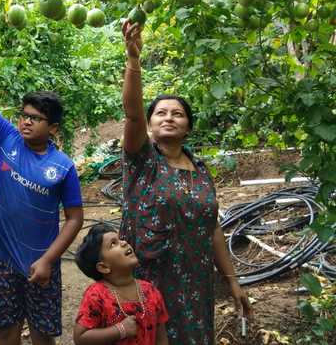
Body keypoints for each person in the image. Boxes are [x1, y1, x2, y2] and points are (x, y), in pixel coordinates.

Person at [0, 30, 84, 345]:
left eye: (36, 118)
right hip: (5, 256)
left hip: (42, 259)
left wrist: (50, 259)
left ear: (53, 128)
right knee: (6, 332)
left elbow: (75, 218)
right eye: (24, 115)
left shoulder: (63, 166)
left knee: (42, 335)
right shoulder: (7, 138)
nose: (26, 122)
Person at [119, 21, 253, 344]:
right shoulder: (142, 161)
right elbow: (133, 114)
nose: (168, 117)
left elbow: (212, 227)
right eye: (160, 113)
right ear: (150, 125)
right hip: (148, 282)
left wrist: (232, 280)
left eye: (177, 113)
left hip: (195, 284)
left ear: (188, 127)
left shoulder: (201, 170)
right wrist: (133, 61)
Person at [74, 222, 169, 344]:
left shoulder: (150, 291)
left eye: (120, 239)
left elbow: (161, 337)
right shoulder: (96, 295)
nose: (124, 243)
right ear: (103, 267)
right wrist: (120, 330)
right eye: (113, 244)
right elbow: (80, 337)